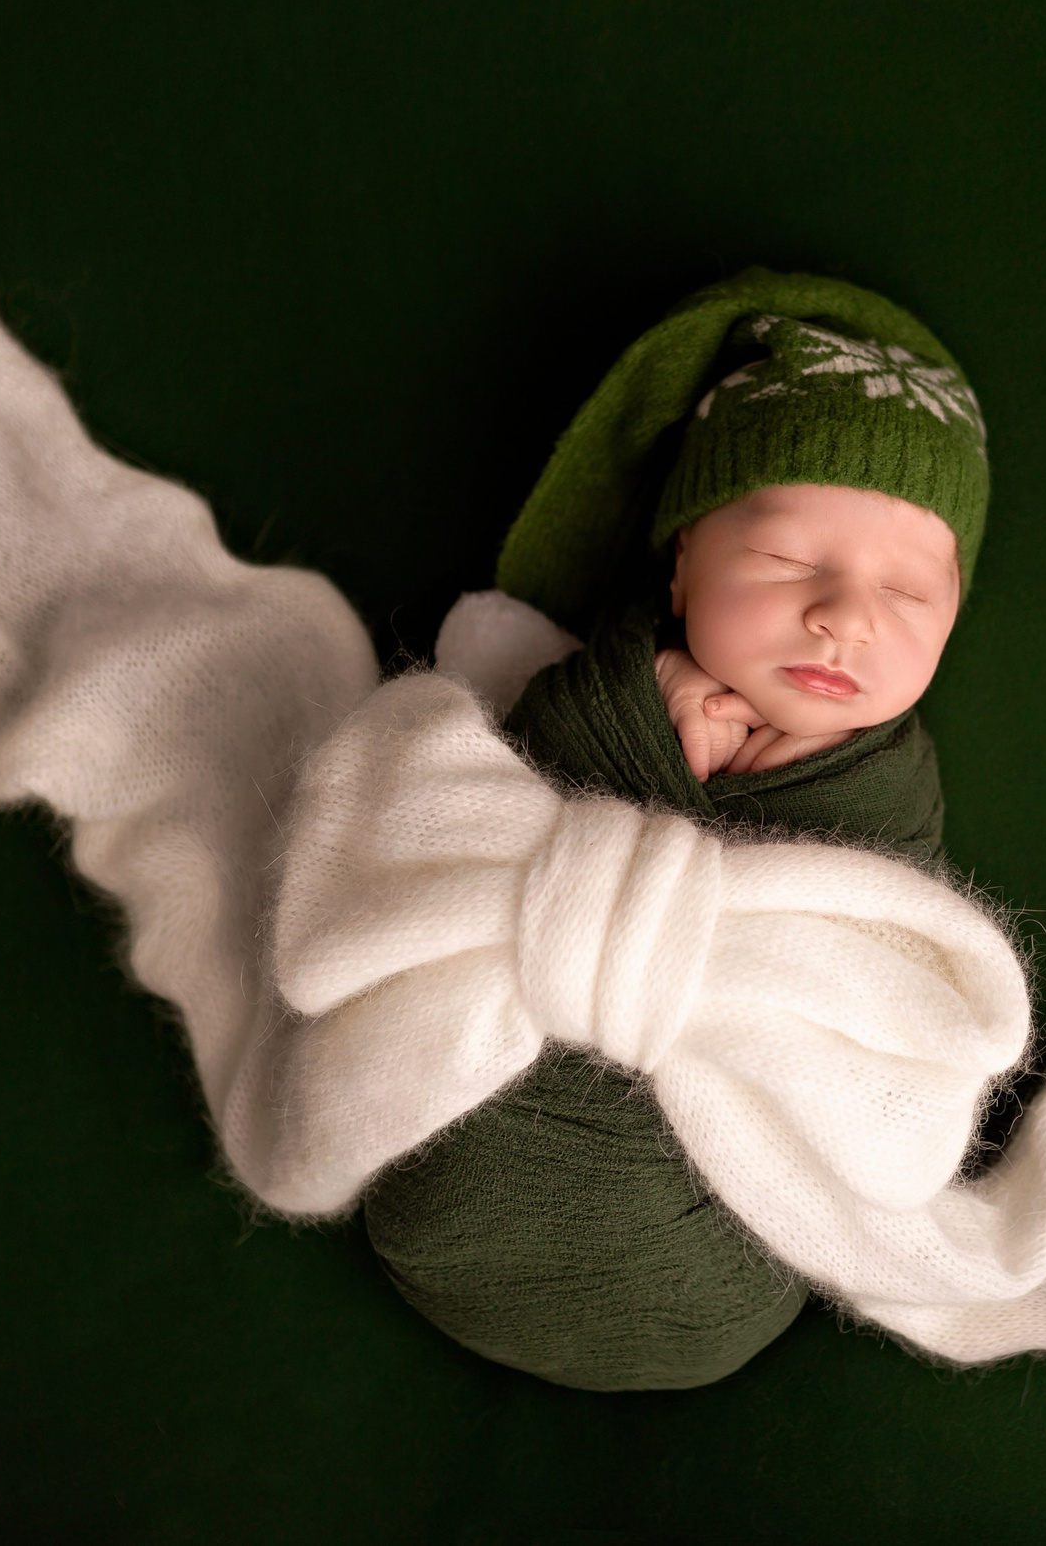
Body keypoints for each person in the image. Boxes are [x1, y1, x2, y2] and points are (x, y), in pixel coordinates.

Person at [363, 285, 988, 1391]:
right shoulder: (588, 690)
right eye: (792, 562)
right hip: (470, 1154)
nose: (846, 615)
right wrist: (626, 740)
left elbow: (887, 974)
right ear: (682, 561)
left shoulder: (892, 789)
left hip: (710, 1263)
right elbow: (464, 827)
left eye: (908, 594)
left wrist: (753, 814)